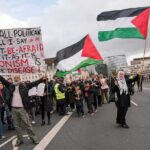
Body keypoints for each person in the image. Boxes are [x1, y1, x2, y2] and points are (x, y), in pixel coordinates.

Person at [0, 75, 46, 146]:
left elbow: (34, 83)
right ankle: (19, 140)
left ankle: (34, 138)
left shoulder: (25, 85)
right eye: (14, 78)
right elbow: (3, 80)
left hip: (22, 109)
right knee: (17, 126)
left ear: (20, 79)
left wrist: (41, 79)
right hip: (13, 109)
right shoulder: (11, 86)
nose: (16, 79)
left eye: (17, 78)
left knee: (28, 124)